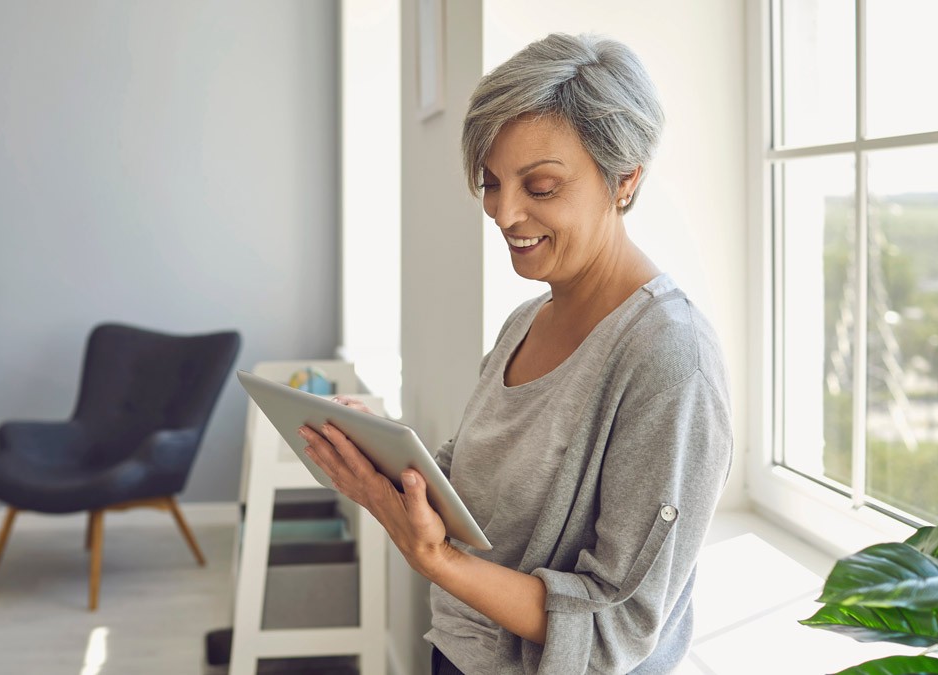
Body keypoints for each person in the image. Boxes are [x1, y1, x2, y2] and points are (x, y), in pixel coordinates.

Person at [298, 32, 731, 675]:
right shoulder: (527, 319)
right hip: (460, 653)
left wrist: (438, 560)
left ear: (625, 179)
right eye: (492, 183)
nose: (504, 212)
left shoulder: (668, 357)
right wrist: (389, 466)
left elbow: (618, 627)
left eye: (542, 186)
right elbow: (475, 488)